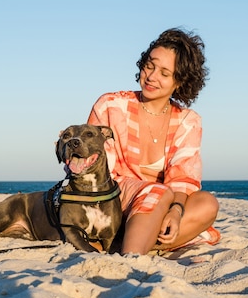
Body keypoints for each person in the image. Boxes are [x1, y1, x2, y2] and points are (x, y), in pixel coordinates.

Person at [87, 28, 219, 255]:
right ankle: (132, 256)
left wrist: (176, 212)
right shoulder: (110, 105)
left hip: (159, 208)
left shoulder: (188, 121)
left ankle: (128, 241)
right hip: (111, 201)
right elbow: (96, 173)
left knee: (207, 204)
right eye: (150, 65)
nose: (151, 76)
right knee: (155, 192)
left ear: (179, 82)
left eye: (165, 73)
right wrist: (146, 193)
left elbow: (183, 178)